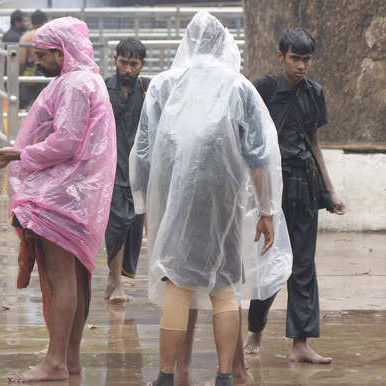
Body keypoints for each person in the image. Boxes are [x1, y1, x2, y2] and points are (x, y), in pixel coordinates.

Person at [129, 12, 292, 386]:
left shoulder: (163, 86)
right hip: (225, 200)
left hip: (175, 199)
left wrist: (145, 205)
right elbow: (259, 154)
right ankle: (224, 375)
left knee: (177, 280)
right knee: (224, 286)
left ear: (187, 41)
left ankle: (167, 375)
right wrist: (266, 211)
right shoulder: (239, 88)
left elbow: (142, 152)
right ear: (222, 43)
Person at [0, 17, 116, 383]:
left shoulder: (75, 84)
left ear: (61, 52)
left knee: (61, 280)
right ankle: (69, 360)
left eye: (41, 56)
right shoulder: (85, 80)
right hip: (76, 194)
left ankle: (55, 362)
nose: (36, 62)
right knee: (74, 278)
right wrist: (14, 153)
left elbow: (67, 142)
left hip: (63, 196)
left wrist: (16, 155)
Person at [244, 27, 345, 364]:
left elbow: (314, 143)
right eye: (295, 58)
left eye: (306, 59)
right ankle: (256, 330)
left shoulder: (314, 93)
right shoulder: (263, 89)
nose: (301, 66)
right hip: (270, 187)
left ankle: (300, 343)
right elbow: (251, 141)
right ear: (280, 57)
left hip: (303, 185)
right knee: (269, 261)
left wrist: (330, 190)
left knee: (303, 265)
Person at [103, 38, 148, 304]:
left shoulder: (148, 90)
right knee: (116, 223)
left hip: (138, 168)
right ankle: (115, 279)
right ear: (115, 61)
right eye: (123, 63)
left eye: (134, 64)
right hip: (110, 166)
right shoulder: (104, 87)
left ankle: (116, 276)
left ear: (142, 65)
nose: (128, 70)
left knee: (133, 225)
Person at [18, 10, 49, 109]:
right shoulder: (50, 35)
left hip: (32, 73)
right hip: (50, 70)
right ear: (45, 21)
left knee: (32, 107)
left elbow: (22, 61)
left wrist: (19, 76)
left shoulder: (26, 37)